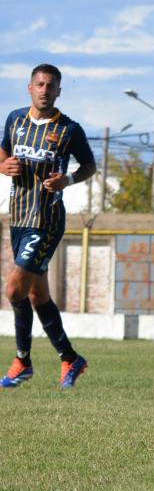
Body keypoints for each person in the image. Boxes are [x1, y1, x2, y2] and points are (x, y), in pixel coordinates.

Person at [1, 63, 96, 389]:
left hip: (46, 221)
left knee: (13, 289)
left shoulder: (69, 129)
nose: (44, 90)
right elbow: (2, 153)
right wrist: (4, 164)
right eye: (39, 84)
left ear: (58, 91)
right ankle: (70, 358)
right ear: (30, 88)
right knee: (36, 294)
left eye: (50, 85)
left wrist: (67, 179)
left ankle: (23, 361)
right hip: (18, 219)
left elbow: (89, 166)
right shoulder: (15, 120)